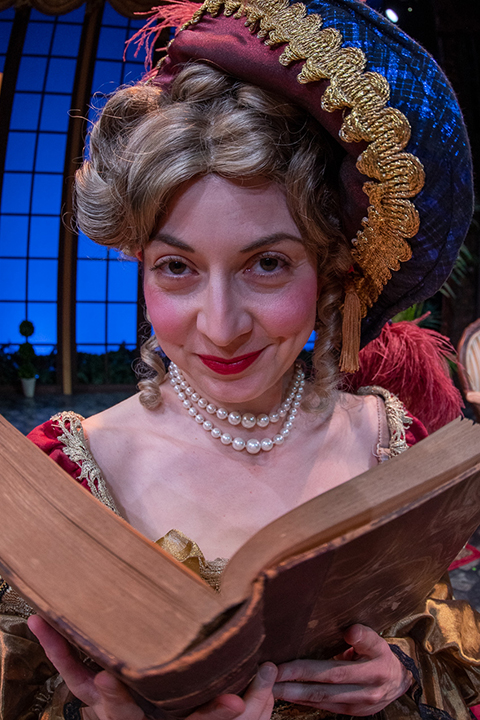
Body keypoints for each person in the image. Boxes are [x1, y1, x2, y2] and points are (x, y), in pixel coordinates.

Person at [1, 0, 479, 718]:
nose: (221, 327)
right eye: (177, 268)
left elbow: (434, 622)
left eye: (267, 264)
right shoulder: (63, 477)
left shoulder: (395, 438)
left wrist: (402, 669)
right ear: (141, 268)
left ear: (329, 270)